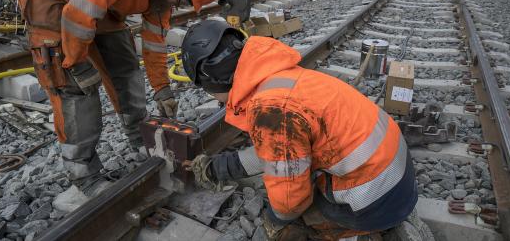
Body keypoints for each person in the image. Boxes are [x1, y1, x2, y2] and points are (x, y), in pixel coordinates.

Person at [181, 21, 434, 240]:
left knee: (298, 224)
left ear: (212, 79)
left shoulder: (271, 111)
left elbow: (289, 198)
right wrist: (219, 167)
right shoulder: (280, 79)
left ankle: (363, 235)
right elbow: (276, 156)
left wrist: (274, 220)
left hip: (377, 200)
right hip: (395, 175)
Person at [17, 0, 227, 202]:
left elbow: (153, 43)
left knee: (125, 65)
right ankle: (84, 175)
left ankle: (141, 139)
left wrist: (162, 90)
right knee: (77, 88)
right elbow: (77, 15)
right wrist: (74, 62)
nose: (177, 3)